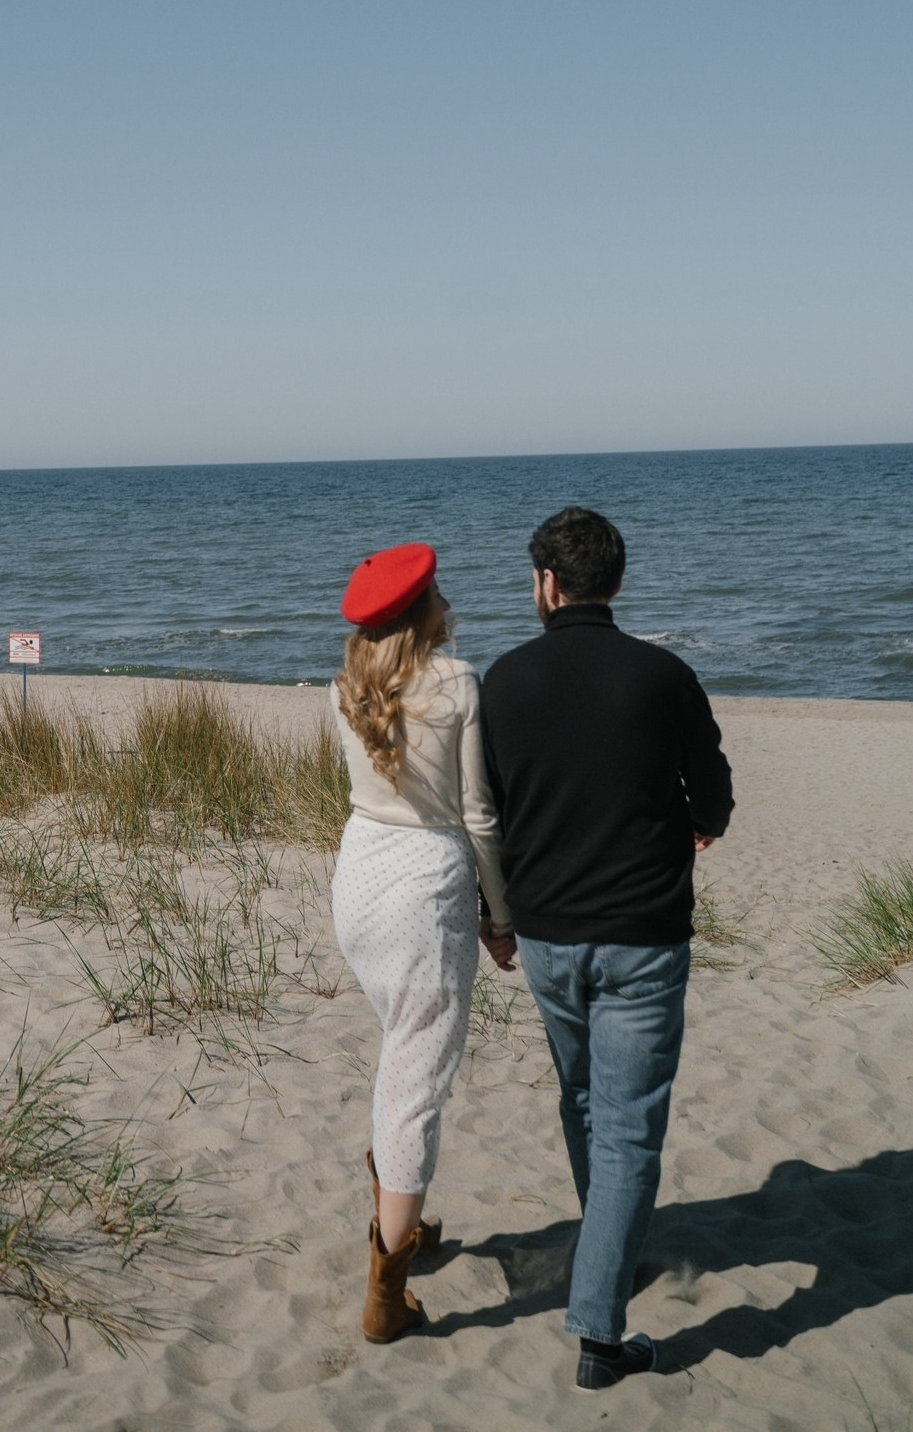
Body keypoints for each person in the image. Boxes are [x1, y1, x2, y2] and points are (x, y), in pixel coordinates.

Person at [479, 506, 734, 1392]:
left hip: (548, 934)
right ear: (613, 582)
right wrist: (697, 825)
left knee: (585, 1101)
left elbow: (489, 813)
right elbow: (716, 795)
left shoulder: (503, 679)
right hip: (641, 933)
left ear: (547, 585)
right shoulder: (663, 674)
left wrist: (495, 912)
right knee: (625, 1126)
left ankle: (608, 1253)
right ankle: (599, 1326)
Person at [328, 541, 517, 1344]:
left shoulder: (344, 689)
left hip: (358, 878)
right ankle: (385, 1291)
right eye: (439, 589)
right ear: (421, 610)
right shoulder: (458, 683)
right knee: (415, 1084)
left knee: (400, 1055)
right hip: (424, 891)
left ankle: (401, 1217)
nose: (448, 596)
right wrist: (499, 915)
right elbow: (478, 816)